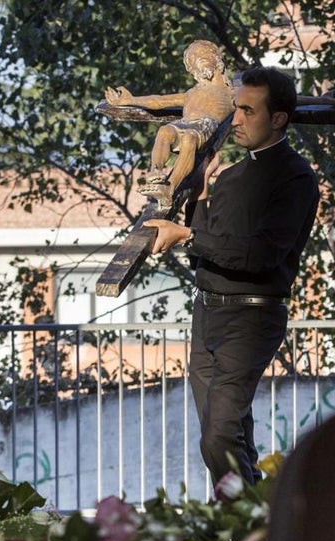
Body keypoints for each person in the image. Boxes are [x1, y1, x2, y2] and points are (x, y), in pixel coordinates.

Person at [144, 66, 319, 488]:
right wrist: (201, 198)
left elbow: (260, 256)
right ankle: (248, 531)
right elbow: (205, 252)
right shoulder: (233, 177)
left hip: (252, 318)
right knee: (230, 434)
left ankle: (245, 529)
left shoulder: (295, 178)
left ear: (278, 119)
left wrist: (187, 233)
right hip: (207, 316)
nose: (235, 119)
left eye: (247, 111)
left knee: (218, 436)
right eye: (235, 109)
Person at [103, 40, 234, 206]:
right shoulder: (191, 93)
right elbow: (159, 101)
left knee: (188, 138)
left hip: (204, 125)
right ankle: (155, 171)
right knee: (165, 131)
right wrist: (131, 100)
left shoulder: (231, 92)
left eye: (202, 54)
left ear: (216, 57)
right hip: (186, 122)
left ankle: (170, 188)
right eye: (193, 59)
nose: (198, 59)